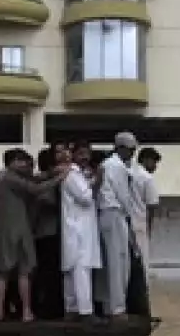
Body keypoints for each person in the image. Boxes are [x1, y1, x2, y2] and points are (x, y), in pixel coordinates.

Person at [0, 149, 67, 322]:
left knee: (6, 273)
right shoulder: (10, 178)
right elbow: (35, 188)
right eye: (20, 161)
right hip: (18, 229)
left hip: (6, 230)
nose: (25, 164)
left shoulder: (6, 179)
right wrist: (59, 178)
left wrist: (50, 173)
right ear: (10, 163)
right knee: (21, 272)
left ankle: (2, 311)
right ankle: (23, 311)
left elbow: (35, 180)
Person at [94, 132, 145, 320]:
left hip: (108, 214)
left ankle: (109, 306)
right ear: (122, 148)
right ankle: (117, 308)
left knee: (109, 262)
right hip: (115, 213)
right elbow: (123, 196)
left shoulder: (108, 165)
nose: (132, 154)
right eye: (131, 150)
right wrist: (131, 218)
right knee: (118, 262)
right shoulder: (116, 166)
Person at [60, 142, 102, 320]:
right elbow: (85, 197)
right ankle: (85, 312)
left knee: (73, 270)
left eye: (88, 154)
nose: (85, 157)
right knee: (81, 270)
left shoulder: (78, 174)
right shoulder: (72, 175)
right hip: (78, 230)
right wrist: (97, 181)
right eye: (81, 153)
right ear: (74, 155)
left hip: (78, 229)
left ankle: (72, 309)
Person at [30, 146, 66, 321]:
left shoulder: (37, 180)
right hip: (48, 232)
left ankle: (45, 306)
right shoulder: (47, 182)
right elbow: (47, 202)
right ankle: (50, 308)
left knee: (45, 272)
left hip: (42, 232)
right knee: (50, 273)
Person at [131, 146, 162, 264]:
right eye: (154, 162)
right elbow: (152, 205)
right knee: (143, 260)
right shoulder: (147, 178)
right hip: (140, 223)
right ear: (145, 160)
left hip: (127, 223)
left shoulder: (129, 173)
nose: (155, 166)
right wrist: (149, 228)